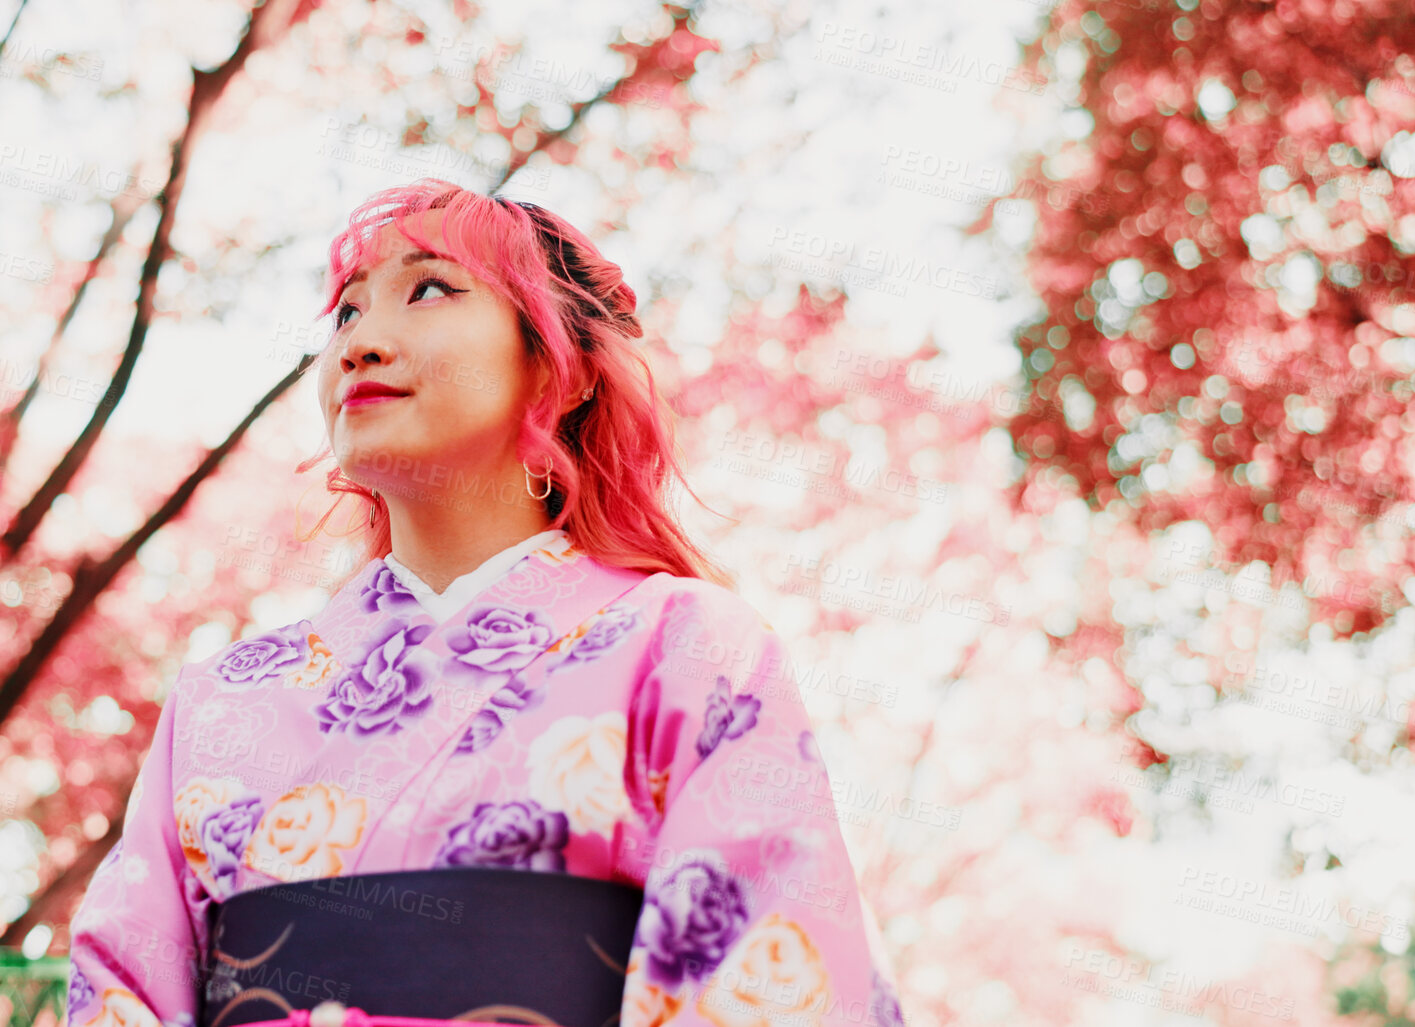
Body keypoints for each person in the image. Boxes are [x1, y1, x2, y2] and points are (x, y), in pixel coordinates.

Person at [67, 179, 904, 1027]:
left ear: (558, 368)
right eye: (347, 314)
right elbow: (120, 987)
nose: (360, 344)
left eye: (430, 289)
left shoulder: (683, 645)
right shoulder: (223, 697)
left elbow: (773, 970)